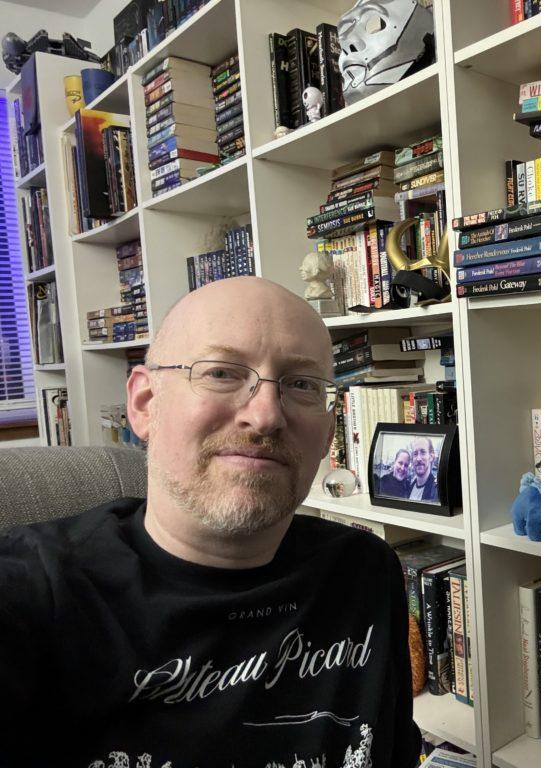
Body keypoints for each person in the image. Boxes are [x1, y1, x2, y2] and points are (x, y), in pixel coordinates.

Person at [0, 277, 421, 767]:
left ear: (330, 432)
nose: (265, 416)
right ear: (144, 403)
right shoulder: (28, 596)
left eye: (301, 384)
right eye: (221, 372)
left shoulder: (364, 569)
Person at [407, 437, 438, 502]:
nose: (418, 458)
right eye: (415, 454)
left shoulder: (436, 491)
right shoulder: (408, 488)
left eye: (423, 452)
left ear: (431, 457)